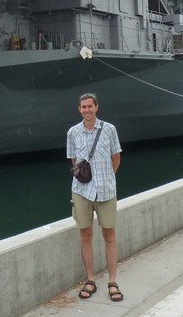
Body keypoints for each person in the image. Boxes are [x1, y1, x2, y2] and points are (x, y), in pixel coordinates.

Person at [66, 92, 124, 302]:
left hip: (106, 190)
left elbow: (116, 158)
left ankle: (112, 282)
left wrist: (106, 178)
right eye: (83, 107)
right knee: (85, 235)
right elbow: (74, 161)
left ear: (96, 107)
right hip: (82, 191)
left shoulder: (109, 129)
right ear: (79, 109)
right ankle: (90, 280)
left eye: (90, 106)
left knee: (109, 235)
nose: (87, 110)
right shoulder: (73, 132)